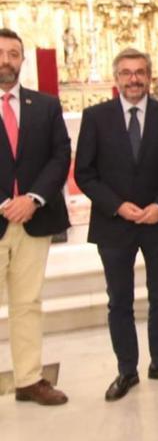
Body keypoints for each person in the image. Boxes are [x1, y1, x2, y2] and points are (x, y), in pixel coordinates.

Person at [74, 48, 158, 401]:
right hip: (114, 225)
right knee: (119, 301)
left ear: (149, 76)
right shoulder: (95, 117)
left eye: (140, 72)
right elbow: (84, 173)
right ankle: (127, 370)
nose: (133, 79)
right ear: (117, 78)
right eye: (126, 73)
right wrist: (116, 206)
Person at [0, 28, 70, 406]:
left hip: (33, 219)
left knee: (27, 303)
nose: (7, 60)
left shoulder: (44, 105)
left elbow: (60, 155)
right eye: (1, 53)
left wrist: (33, 198)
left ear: (23, 60)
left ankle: (28, 379)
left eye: (14, 54)